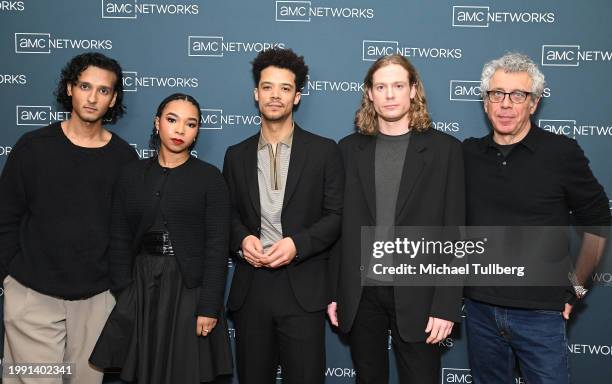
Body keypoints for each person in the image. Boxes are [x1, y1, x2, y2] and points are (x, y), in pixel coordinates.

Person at [463, 52, 610, 383]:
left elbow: (598, 219)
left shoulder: (562, 153)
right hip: (479, 309)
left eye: (518, 95)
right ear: (485, 101)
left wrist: (577, 287)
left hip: (541, 313)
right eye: (497, 94)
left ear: (534, 102)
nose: (506, 104)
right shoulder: (467, 153)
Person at [328, 54, 465, 384]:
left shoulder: (446, 150)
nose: (389, 94)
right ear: (370, 94)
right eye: (381, 86)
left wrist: (447, 305)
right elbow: (338, 228)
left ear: (413, 90)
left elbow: (455, 233)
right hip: (361, 295)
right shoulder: (347, 150)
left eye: (398, 85)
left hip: (419, 292)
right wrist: (334, 291)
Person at [0, 52, 136, 384]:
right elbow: (5, 216)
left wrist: (116, 290)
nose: (92, 97)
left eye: (103, 90)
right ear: (70, 89)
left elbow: (128, 232)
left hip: (96, 298)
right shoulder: (33, 147)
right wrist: (10, 276)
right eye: (85, 86)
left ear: (113, 98)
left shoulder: (124, 159)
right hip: (32, 294)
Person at [89, 93, 233, 383]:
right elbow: (118, 237)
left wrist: (208, 306)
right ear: (157, 123)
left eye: (190, 124)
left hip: (188, 288)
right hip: (141, 286)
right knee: (144, 371)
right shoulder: (131, 175)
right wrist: (125, 291)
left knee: (184, 372)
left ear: (196, 133)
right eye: (172, 120)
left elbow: (218, 248)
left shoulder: (210, 178)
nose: (180, 130)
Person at [222, 48, 344, 383]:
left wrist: (297, 244)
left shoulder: (324, 151)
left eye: (285, 88)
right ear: (256, 93)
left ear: (297, 97)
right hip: (252, 287)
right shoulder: (235, 156)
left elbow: (336, 216)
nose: (275, 95)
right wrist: (241, 238)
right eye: (268, 87)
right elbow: (227, 215)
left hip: (302, 286)